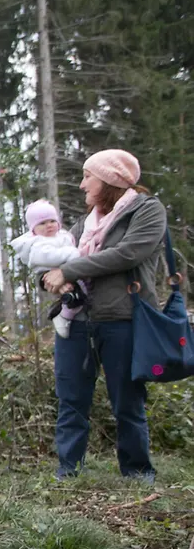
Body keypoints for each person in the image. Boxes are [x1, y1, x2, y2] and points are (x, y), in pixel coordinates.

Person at [41, 149, 169, 482]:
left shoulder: (147, 211)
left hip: (124, 319)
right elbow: (57, 256)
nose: (82, 185)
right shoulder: (86, 223)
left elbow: (126, 254)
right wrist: (46, 275)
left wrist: (68, 269)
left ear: (109, 179)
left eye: (88, 177)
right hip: (77, 321)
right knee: (71, 401)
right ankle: (68, 472)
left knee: (127, 403)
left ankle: (138, 473)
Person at [10, 200, 82, 337]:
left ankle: (64, 312)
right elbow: (47, 257)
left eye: (52, 221)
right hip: (50, 272)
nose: (48, 226)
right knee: (73, 294)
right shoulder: (38, 243)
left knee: (78, 294)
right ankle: (63, 315)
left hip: (66, 271)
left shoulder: (63, 236)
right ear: (33, 229)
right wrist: (72, 254)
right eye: (42, 223)